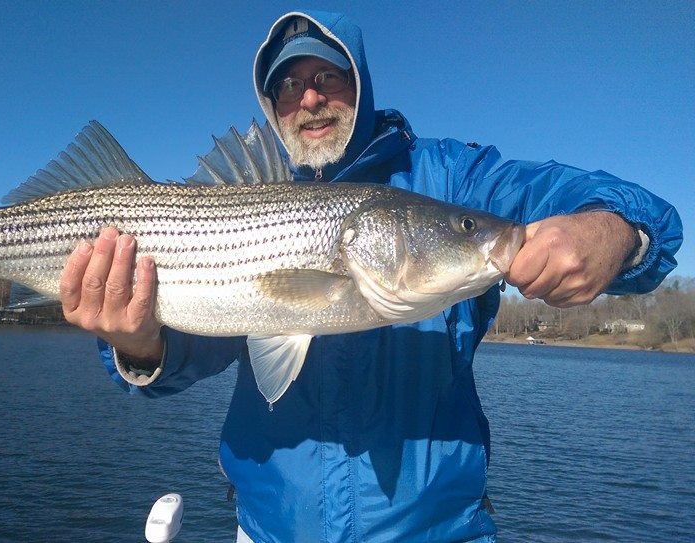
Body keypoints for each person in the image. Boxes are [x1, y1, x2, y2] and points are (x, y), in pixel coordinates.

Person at [58, 10, 682, 543]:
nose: (309, 97)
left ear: (361, 83)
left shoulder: (450, 179)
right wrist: (139, 347)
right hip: (271, 530)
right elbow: (202, 344)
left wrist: (612, 232)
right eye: (289, 84)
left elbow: (621, 210)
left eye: (328, 76)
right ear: (272, 105)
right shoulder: (249, 190)